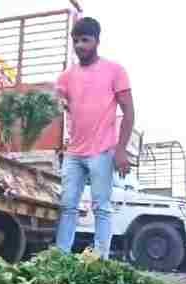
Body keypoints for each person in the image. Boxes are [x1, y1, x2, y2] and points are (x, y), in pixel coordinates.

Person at [54, 17, 135, 260]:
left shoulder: (115, 70)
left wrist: (121, 150)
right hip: (74, 153)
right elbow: (57, 102)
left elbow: (129, 112)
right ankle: (60, 258)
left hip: (102, 151)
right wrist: (57, 101)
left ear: (97, 41)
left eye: (85, 40)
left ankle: (101, 259)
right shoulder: (66, 76)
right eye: (76, 41)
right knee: (67, 207)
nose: (79, 45)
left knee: (102, 207)